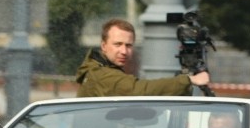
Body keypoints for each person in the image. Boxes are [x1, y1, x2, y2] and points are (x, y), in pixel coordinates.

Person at [76, 18, 210, 97]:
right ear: (103, 46)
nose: (124, 51)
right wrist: (188, 80)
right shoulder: (100, 74)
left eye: (128, 45)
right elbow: (139, 90)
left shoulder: (104, 70)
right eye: (117, 44)